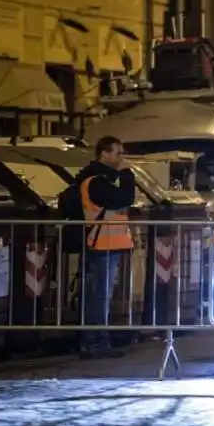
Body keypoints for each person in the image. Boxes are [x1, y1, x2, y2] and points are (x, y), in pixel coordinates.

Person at [76, 135, 136, 359]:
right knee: (99, 295)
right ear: (104, 154)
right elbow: (124, 198)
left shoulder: (103, 179)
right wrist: (127, 173)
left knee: (102, 294)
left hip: (108, 244)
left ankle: (97, 340)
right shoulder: (96, 181)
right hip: (101, 245)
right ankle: (94, 342)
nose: (122, 158)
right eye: (118, 153)